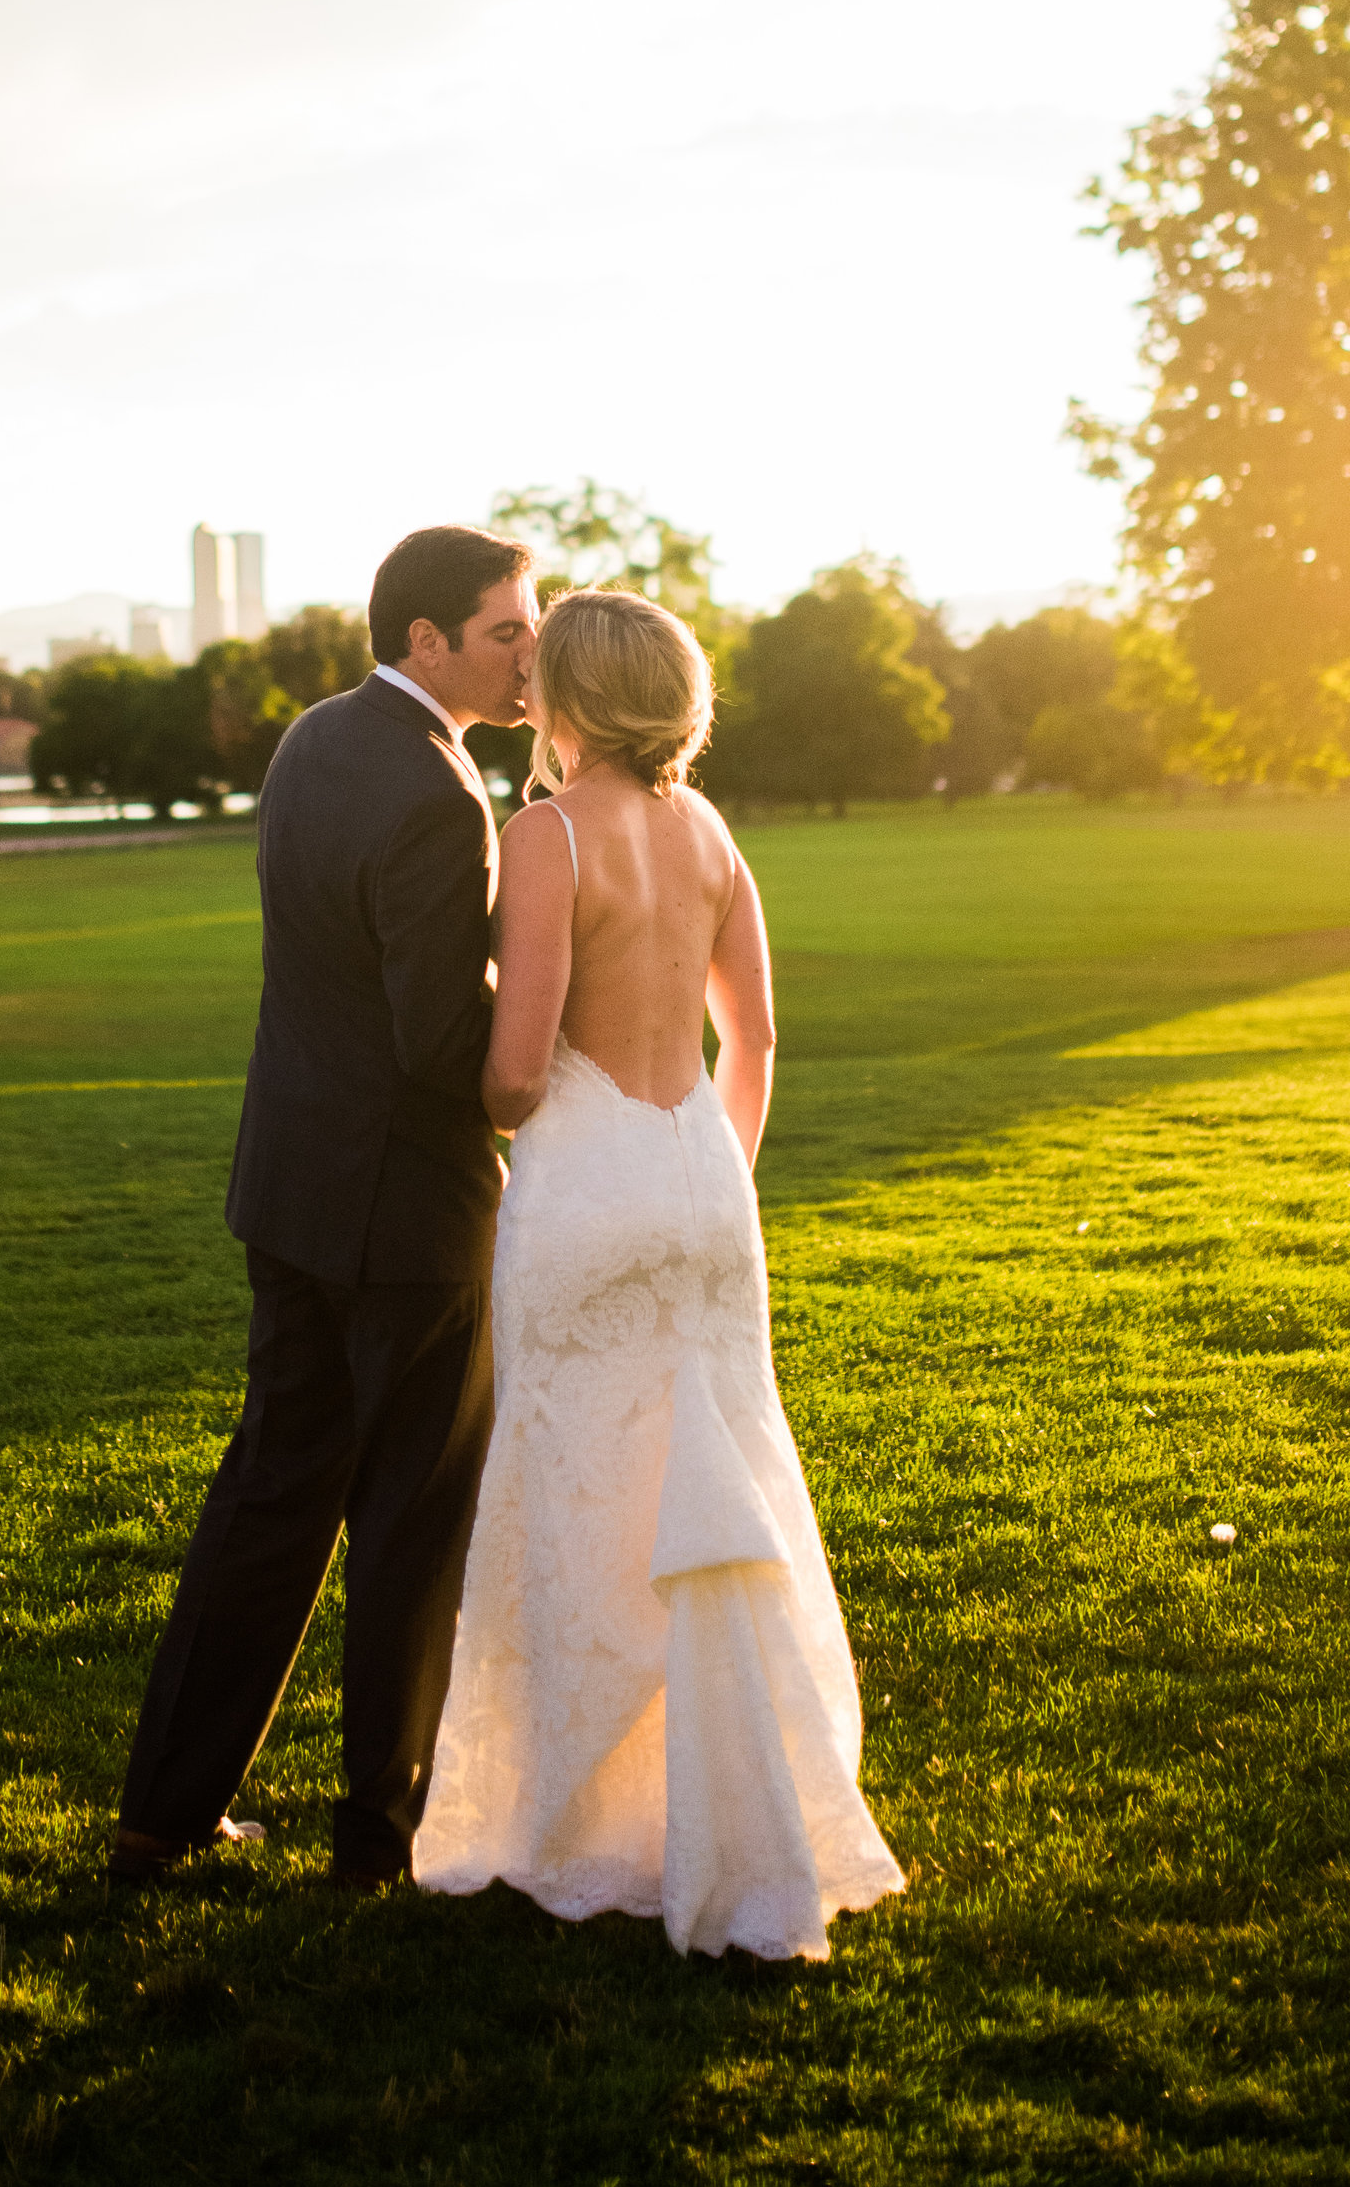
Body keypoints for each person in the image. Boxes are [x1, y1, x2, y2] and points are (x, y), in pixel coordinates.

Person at [414, 587, 903, 1961]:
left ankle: (581, 1828)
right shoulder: (707, 831)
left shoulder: (549, 834)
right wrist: (708, 1169)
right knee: (715, 1497)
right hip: (699, 1181)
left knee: (581, 1499)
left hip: (584, 1183)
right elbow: (750, 1042)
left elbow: (514, 1077)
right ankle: (738, 1808)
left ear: (569, 698)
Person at [107, 522, 539, 1893]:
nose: (529, 650)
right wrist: (544, 1054)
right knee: (409, 1523)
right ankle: (378, 1841)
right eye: (506, 630)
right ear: (428, 641)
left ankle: (161, 1815)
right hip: (406, 1214)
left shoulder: (309, 740)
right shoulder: (437, 790)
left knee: (269, 1499)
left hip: (287, 1184)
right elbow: (430, 1038)